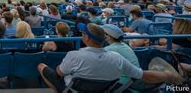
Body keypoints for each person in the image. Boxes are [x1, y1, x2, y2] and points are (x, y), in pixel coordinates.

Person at [37, 23, 183, 92]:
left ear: (86, 37)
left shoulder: (74, 55)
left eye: (83, 33)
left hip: (74, 89)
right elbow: (142, 75)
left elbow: (58, 72)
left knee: (42, 67)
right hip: (105, 89)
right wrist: (167, 75)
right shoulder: (116, 57)